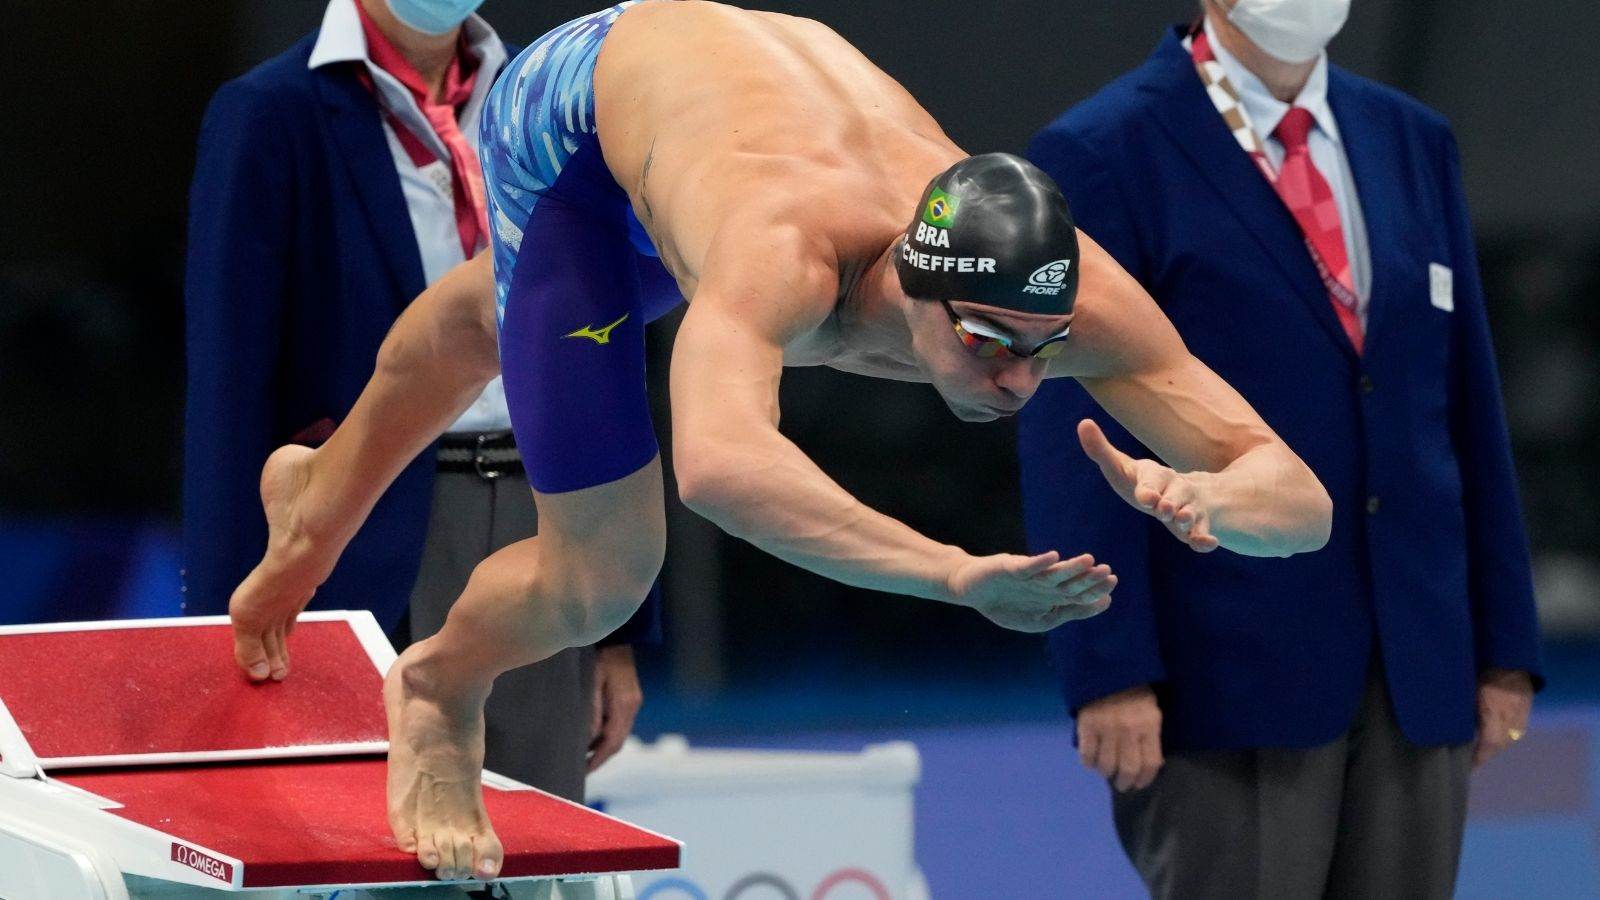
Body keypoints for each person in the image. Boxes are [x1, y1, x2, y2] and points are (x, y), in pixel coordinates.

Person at [228, 0, 1334, 882]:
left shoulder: (1067, 293)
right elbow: (721, 466)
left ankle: (319, 486)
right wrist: (951, 574)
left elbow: (1298, 497)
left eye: (1045, 347)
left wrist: (1219, 505)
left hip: (736, 105)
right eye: (990, 344)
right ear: (910, 286)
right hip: (579, 112)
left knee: (511, 314)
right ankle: (436, 688)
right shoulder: (781, 255)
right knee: (602, 570)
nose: (1019, 379)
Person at [1020, 1, 1543, 897]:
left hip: (1416, 658)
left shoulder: (1412, 139)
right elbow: (1073, 431)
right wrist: (1108, 669)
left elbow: (1463, 407)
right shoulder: (1103, 151)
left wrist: (1504, 645)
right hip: (1224, 674)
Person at [183, 0, 651, 803]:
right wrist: (224, 616)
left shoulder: (555, 100)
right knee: (372, 842)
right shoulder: (272, 112)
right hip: (374, 516)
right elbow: (229, 386)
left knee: (540, 838)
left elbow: (610, 343)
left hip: (550, 508)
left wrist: (620, 632)